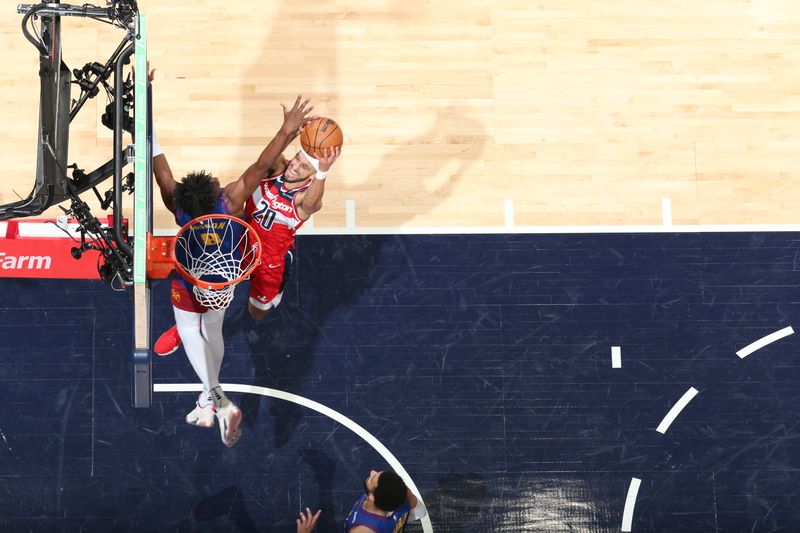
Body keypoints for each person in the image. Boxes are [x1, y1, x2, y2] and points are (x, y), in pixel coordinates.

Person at [151, 84, 314, 446]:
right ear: (214, 191)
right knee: (213, 331)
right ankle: (211, 399)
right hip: (224, 281)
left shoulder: (177, 204)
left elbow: (160, 170)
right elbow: (260, 163)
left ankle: (215, 398)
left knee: (191, 332)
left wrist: (146, 117)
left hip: (190, 280)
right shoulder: (231, 199)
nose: (213, 177)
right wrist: (287, 130)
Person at [154, 114, 341, 359]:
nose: (295, 165)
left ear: (312, 175)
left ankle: (283, 273)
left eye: (304, 166)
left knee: (257, 312)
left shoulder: (303, 200)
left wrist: (323, 173)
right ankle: (183, 328)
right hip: (237, 246)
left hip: (268, 260)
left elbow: (313, 202)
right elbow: (264, 161)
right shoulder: (278, 169)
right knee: (213, 289)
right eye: (297, 158)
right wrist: (290, 131)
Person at [344, 470, 428, 533]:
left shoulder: (364, 530)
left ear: (372, 497)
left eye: (372, 478)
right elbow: (420, 511)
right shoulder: (401, 491)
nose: (372, 472)